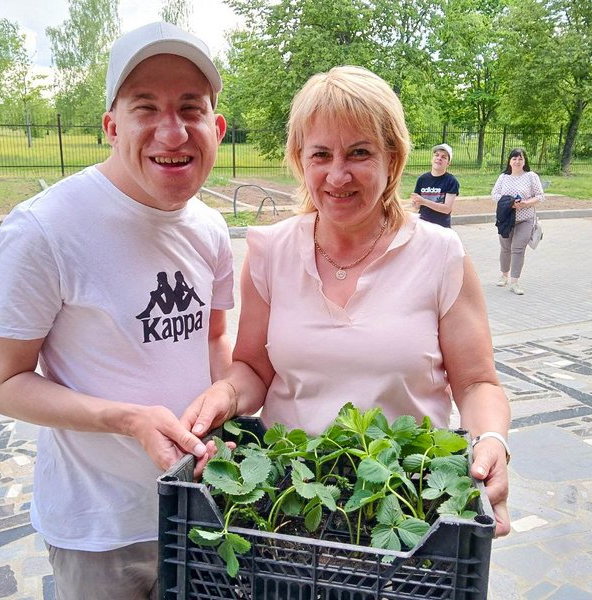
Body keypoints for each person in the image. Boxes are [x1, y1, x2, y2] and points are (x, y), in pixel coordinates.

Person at [184, 66, 512, 537]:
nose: (338, 175)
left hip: (405, 504)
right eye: (321, 154)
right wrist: (226, 394)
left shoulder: (440, 256)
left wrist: (493, 440)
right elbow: (254, 369)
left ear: (393, 158)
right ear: (300, 160)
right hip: (291, 503)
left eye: (359, 152)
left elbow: (478, 382)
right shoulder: (270, 252)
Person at [0, 22, 235, 600]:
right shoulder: (44, 228)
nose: (173, 132)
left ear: (216, 128)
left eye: (191, 109)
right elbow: (1, 384)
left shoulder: (212, 229)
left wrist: (222, 410)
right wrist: (129, 419)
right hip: (99, 531)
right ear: (112, 126)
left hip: (203, 509)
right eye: (146, 107)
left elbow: (214, 337)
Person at [491, 147, 545, 295]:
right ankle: (504, 275)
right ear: (509, 161)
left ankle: (515, 282)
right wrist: (509, 203)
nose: (517, 161)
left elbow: (540, 196)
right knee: (505, 248)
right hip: (506, 218)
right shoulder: (503, 177)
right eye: (514, 158)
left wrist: (526, 203)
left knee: (518, 249)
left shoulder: (531, 176)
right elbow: (494, 194)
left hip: (525, 219)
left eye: (520, 158)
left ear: (525, 161)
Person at [410, 142, 459, 228]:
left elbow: (447, 209)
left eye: (444, 157)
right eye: (437, 155)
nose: (439, 158)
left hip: (441, 228)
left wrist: (424, 201)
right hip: (423, 227)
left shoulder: (451, 181)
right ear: (432, 159)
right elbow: (417, 206)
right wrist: (415, 202)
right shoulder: (422, 179)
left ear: (448, 163)